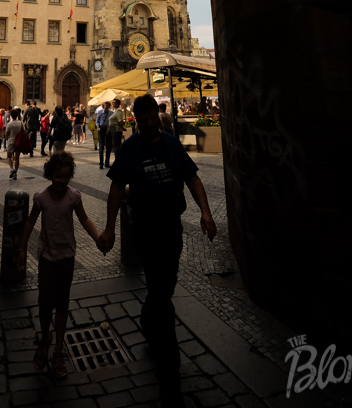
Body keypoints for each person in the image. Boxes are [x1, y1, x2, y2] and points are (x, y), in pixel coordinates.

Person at [98, 94, 217, 406]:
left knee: (164, 286)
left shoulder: (170, 143)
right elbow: (114, 189)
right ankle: (170, 365)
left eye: (154, 118)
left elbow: (192, 177)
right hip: (146, 230)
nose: (150, 124)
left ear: (157, 117)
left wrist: (205, 212)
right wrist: (109, 228)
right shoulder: (129, 149)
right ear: (136, 120)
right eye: (145, 119)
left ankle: (149, 320)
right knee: (161, 292)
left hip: (171, 228)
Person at [16, 151, 101, 380]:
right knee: (45, 302)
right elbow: (30, 222)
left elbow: (84, 219)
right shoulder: (41, 198)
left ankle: (59, 350)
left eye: (65, 177)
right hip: (46, 256)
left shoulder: (74, 197)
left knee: (62, 302)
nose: (62, 181)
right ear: (49, 175)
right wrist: (22, 249)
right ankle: (45, 338)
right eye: (57, 176)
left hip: (67, 256)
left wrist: (98, 239)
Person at [5, 108, 24, 179]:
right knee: (17, 158)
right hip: (18, 142)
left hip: (11, 141)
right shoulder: (20, 123)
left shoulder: (9, 124)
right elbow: (23, 131)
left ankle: (11, 169)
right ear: (17, 115)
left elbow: (6, 134)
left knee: (9, 156)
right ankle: (15, 172)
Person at [95, 101, 113, 169]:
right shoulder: (99, 112)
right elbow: (97, 120)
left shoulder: (111, 113)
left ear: (109, 107)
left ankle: (107, 162)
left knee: (108, 147)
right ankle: (101, 163)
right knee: (101, 147)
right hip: (101, 129)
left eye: (107, 106)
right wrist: (97, 126)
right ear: (103, 106)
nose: (106, 107)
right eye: (105, 106)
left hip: (108, 130)